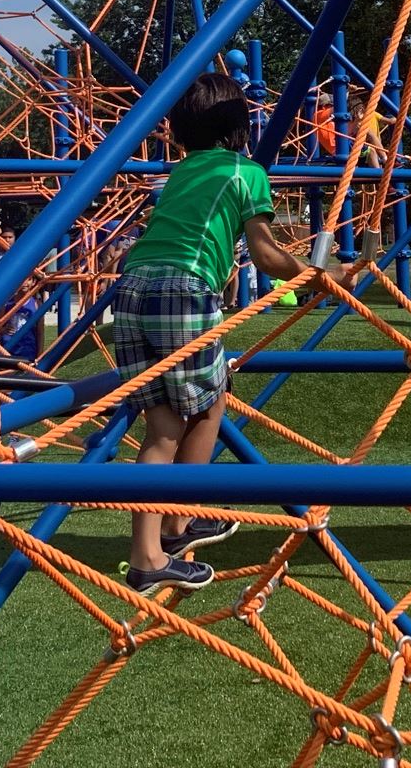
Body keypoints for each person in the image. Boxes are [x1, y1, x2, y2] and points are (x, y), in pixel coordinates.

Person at [113, 73, 305, 591]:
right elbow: (265, 255)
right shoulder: (245, 171)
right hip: (184, 288)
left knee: (170, 424)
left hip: (131, 290)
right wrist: (318, 274)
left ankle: (161, 540)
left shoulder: (181, 173)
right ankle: (167, 535)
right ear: (240, 124)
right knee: (197, 412)